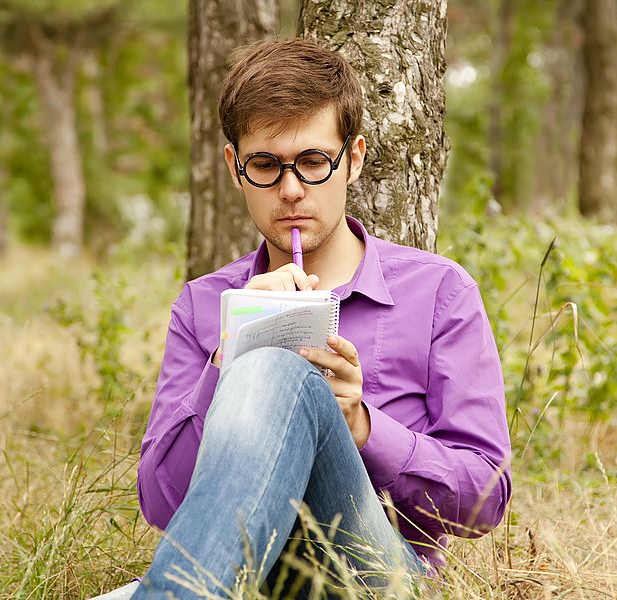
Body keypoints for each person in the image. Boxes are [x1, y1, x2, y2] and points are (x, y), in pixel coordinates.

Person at [95, 38, 511, 600]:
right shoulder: (203, 304)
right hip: (240, 579)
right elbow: (163, 503)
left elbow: (484, 500)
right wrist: (230, 358)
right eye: (265, 165)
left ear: (354, 159)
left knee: (278, 375)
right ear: (234, 167)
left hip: (378, 577)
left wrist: (363, 425)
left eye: (314, 162)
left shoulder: (439, 291)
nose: (291, 190)